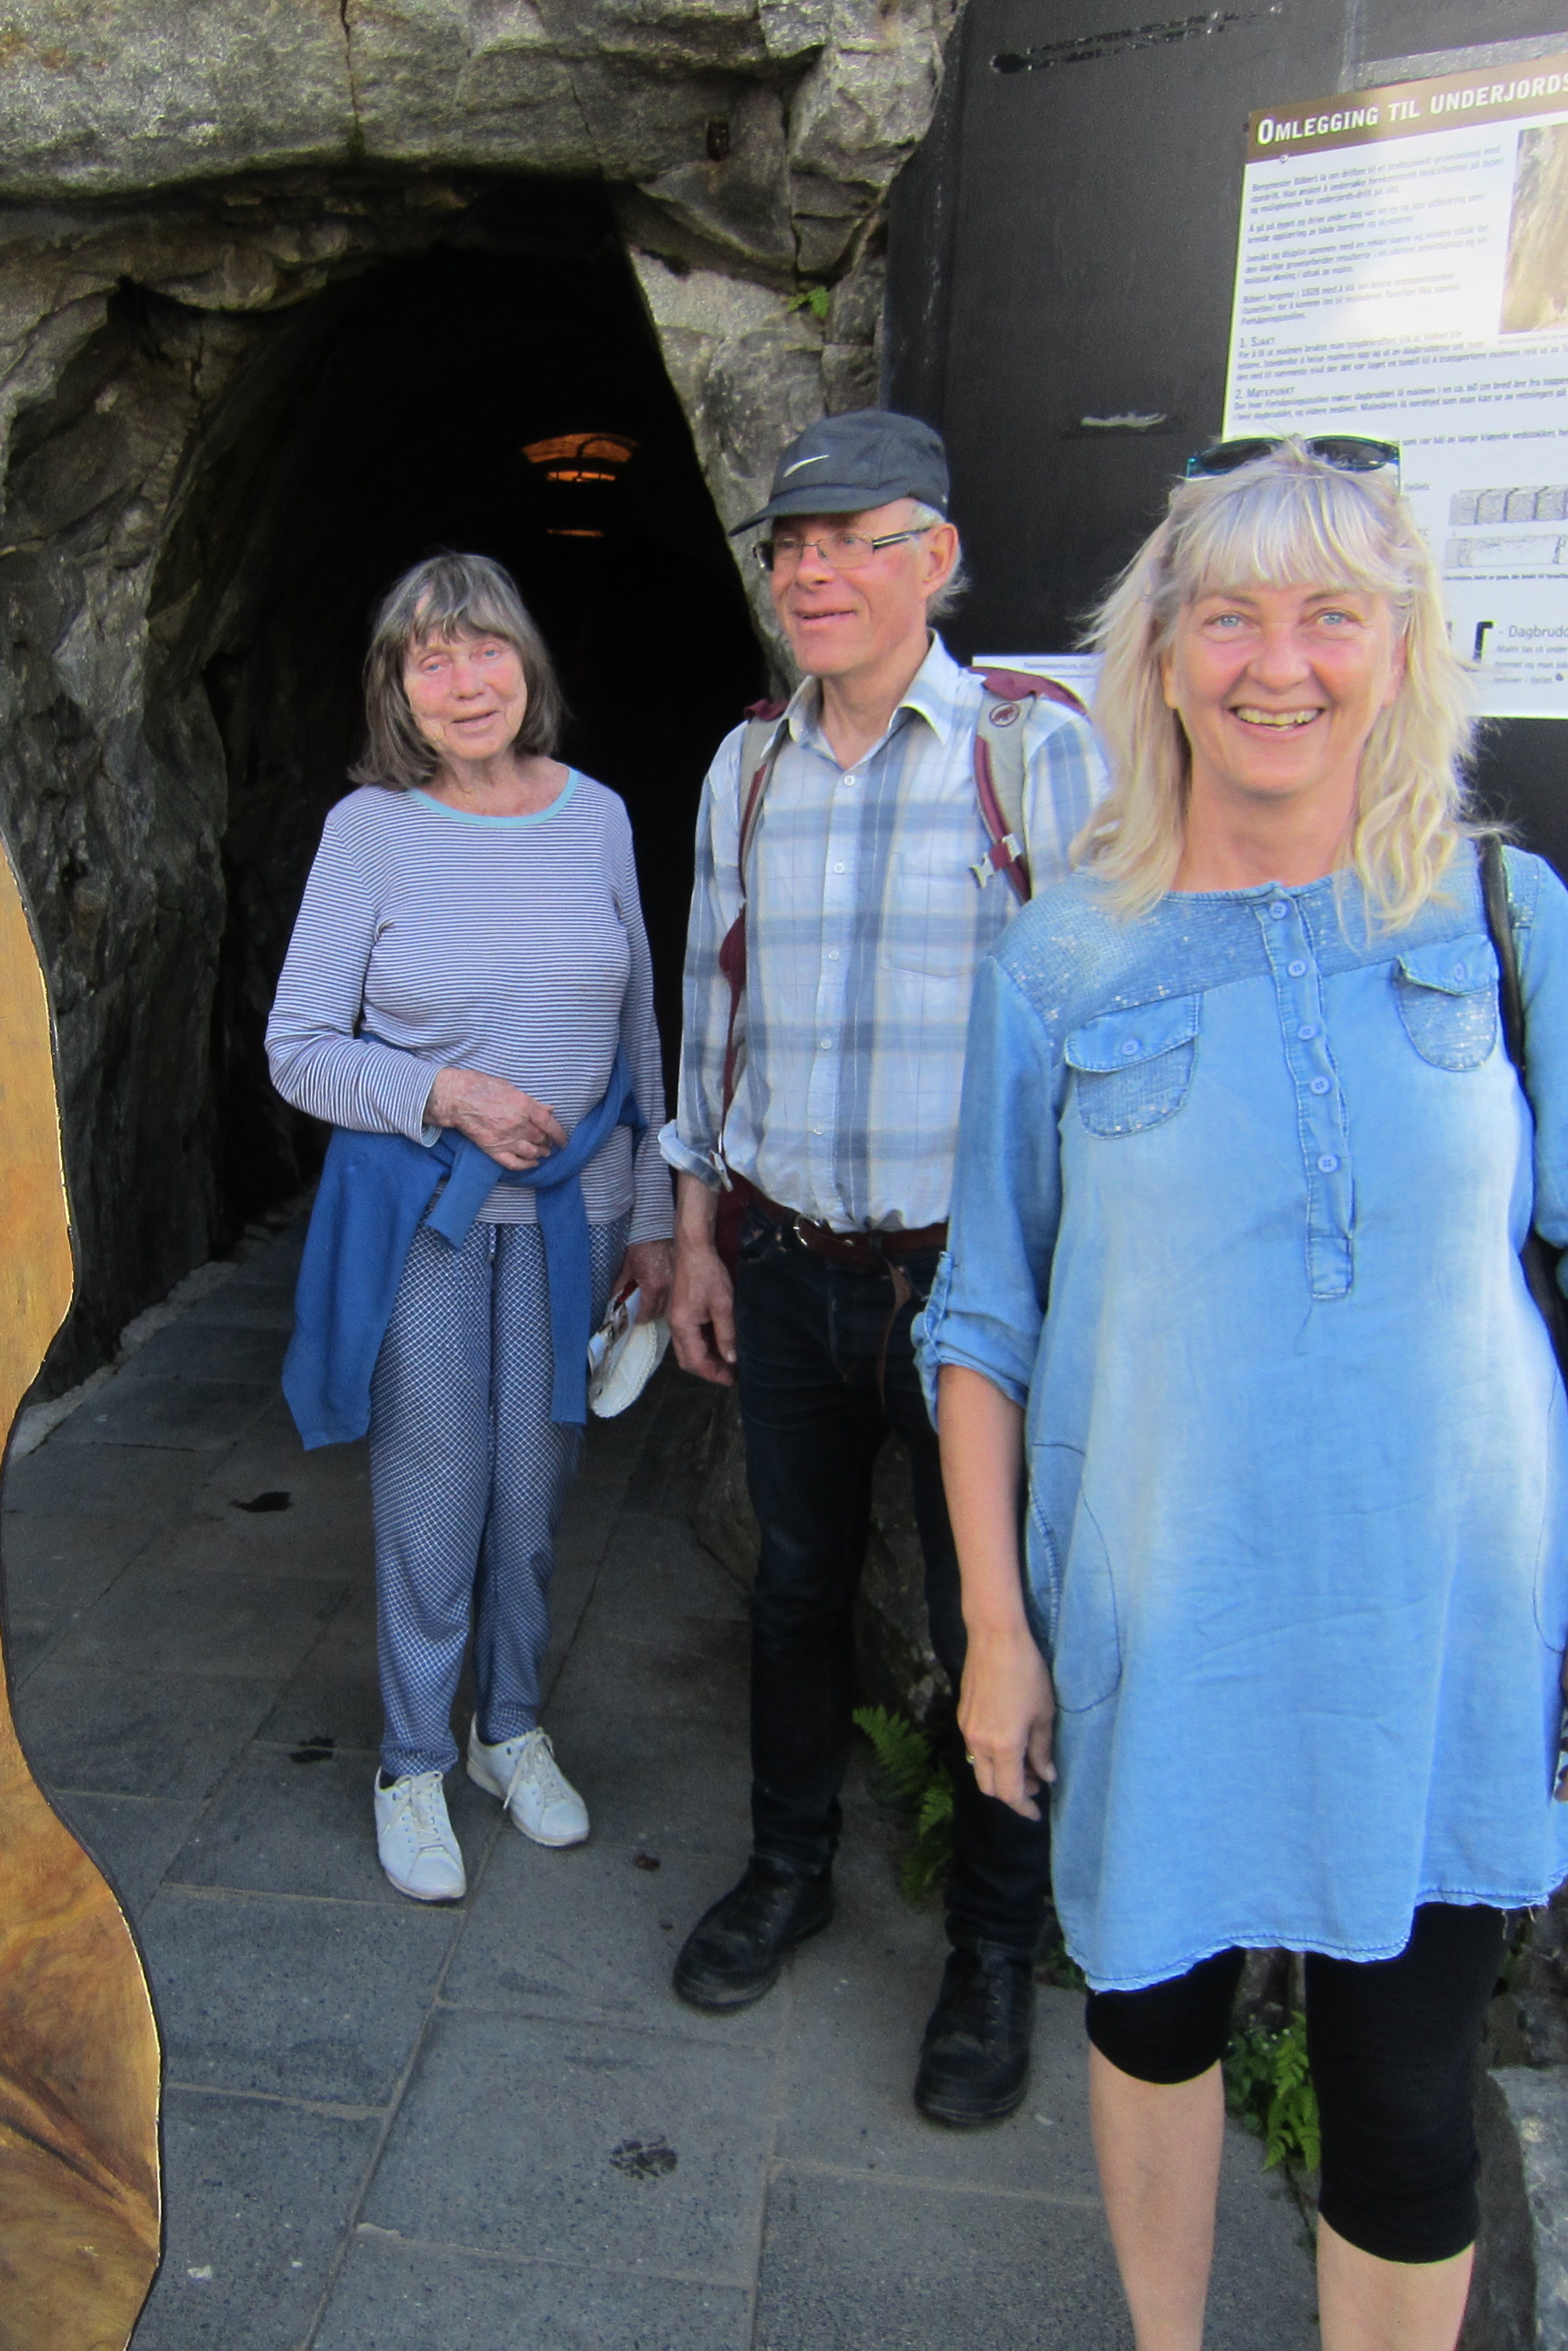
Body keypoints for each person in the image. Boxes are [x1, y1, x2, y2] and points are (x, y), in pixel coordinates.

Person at [918, 439, 1568, 2349]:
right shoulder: (1059, 957)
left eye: (1328, 616)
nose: (1277, 663)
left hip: (1432, 1630)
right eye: (1227, 617)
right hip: (1159, 1616)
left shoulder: (1500, 918)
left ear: (1399, 651)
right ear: (1159, 657)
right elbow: (981, 1321)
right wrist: (996, 1634)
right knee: (1149, 2017)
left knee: (1405, 2096)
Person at [661, 409, 1102, 2126]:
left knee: (995, 1608)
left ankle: (991, 1952)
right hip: (784, 1258)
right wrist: (697, 1232)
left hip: (970, 1290)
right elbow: (713, 1010)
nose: (812, 574)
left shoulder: (1030, 754)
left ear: (937, 557)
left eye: (853, 540)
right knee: (793, 1586)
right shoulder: (747, 767)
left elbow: (1101, 1028)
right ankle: (788, 1868)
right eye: (791, 546)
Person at [271, 552, 675, 1904]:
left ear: (526, 664)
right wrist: (447, 1092)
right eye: (429, 658)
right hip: (429, 1219)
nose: (463, 680)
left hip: (578, 1217)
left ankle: (508, 1731)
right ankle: (410, 1762)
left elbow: (641, 1026)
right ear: (398, 691)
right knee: (434, 1493)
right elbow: (299, 1047)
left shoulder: (598, 816)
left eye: (484, 647)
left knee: (534, 1495)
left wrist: (655, 1216)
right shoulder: (370, 831)